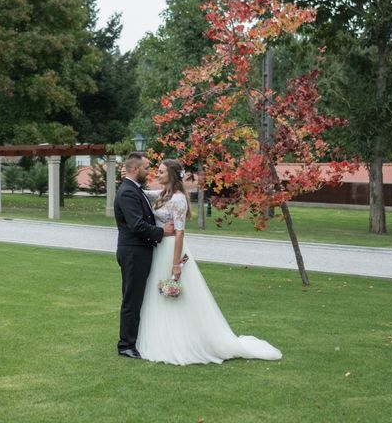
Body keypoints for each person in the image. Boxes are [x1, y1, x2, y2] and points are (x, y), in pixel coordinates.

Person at [136, 159, 282, 365]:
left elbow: (180, 233)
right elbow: (141, 194)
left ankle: (183, 343)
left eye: (160, 172)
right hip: (160, 249)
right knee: (159, 296)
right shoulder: (163, 194)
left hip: (171, 250)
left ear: (171, 174)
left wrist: (176, 263)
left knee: (177, 297)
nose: (156, 174)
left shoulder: (178, 199)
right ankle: (164, 338)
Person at [114, 152, 175, 359]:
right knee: (132, 298)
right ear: (135, 169)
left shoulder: (135, 189)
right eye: (146, 168)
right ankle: (126, 345)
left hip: (139, 251)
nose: (149, 172)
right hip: (133, 252)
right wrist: (162, 233)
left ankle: (134, 340)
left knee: (138, 297)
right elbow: (137, 225)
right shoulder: (128, 192)